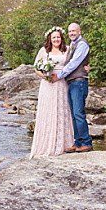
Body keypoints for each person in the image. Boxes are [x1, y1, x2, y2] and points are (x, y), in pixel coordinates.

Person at [29, 27, 75, 157]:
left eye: (58, 37)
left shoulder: (67, 49)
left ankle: (64, 144)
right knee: (48, 111)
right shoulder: (44, 51)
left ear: (61, 38)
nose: (56, 39)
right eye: (54, 37)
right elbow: (36, 68)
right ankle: (46, 144)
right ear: (50, 38)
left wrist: (86, 67)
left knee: (62, 111)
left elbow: (74, 63)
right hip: (48, 85)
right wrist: (45, 76)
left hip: (61, 83)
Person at [48, 22, 93, 153]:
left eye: (74, 31)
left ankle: (86, 142)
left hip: (79, 82)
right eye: (70, 31)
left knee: (78, 113)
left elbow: (74, 63)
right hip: (72, 82)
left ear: (79, 31)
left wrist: (59, 75)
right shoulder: (72, 45)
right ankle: (78, 142)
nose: (72, 33)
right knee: (74, 114)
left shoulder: (82, 44)